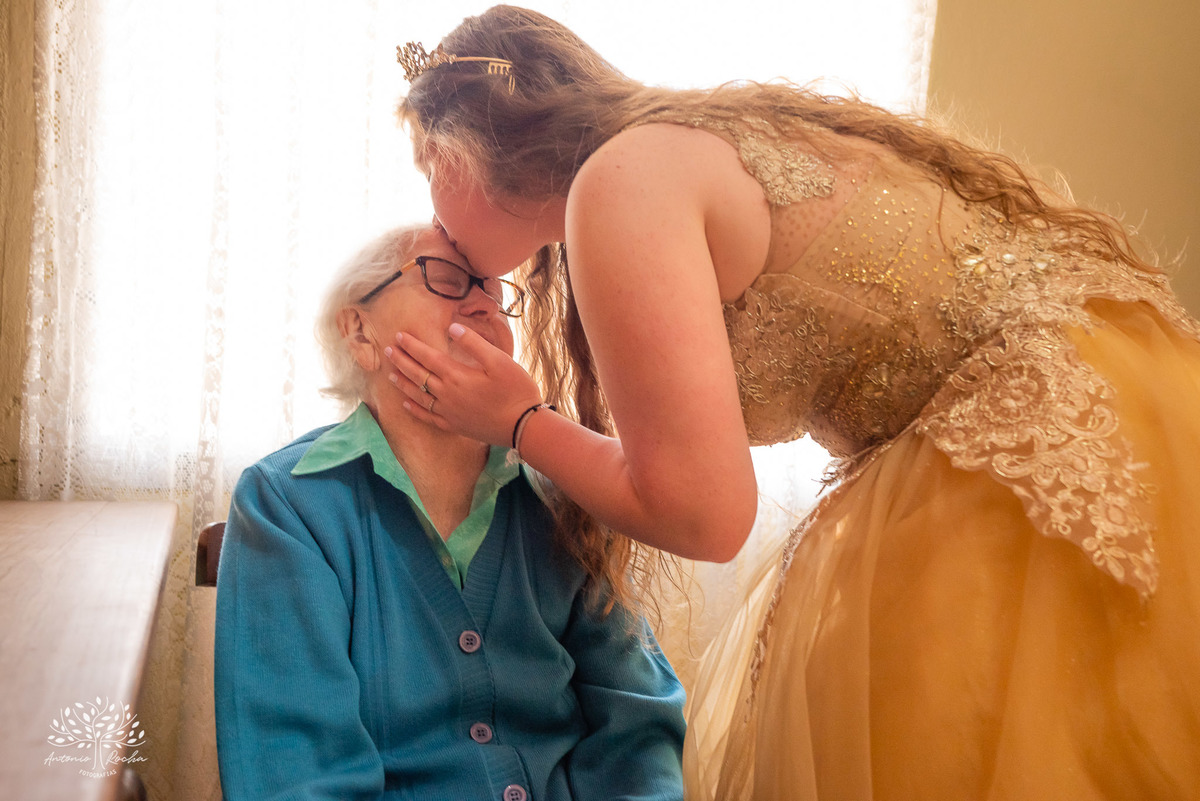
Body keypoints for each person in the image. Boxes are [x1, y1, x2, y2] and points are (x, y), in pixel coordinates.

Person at [384, 6, 1200, 800]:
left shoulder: (619, 184)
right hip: (1120, 391)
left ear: (466, 148)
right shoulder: (682, 141)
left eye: (428, 170)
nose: (433, 214)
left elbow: (707, 515)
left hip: (1021, 460)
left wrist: (519, 421)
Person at [212, 223, 687, 801]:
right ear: (359, 330)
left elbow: (638, 728)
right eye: (449, 277)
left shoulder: (568, 494)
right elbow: (298, 775)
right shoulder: (285, 505)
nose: (484, 301)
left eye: (492, 287)